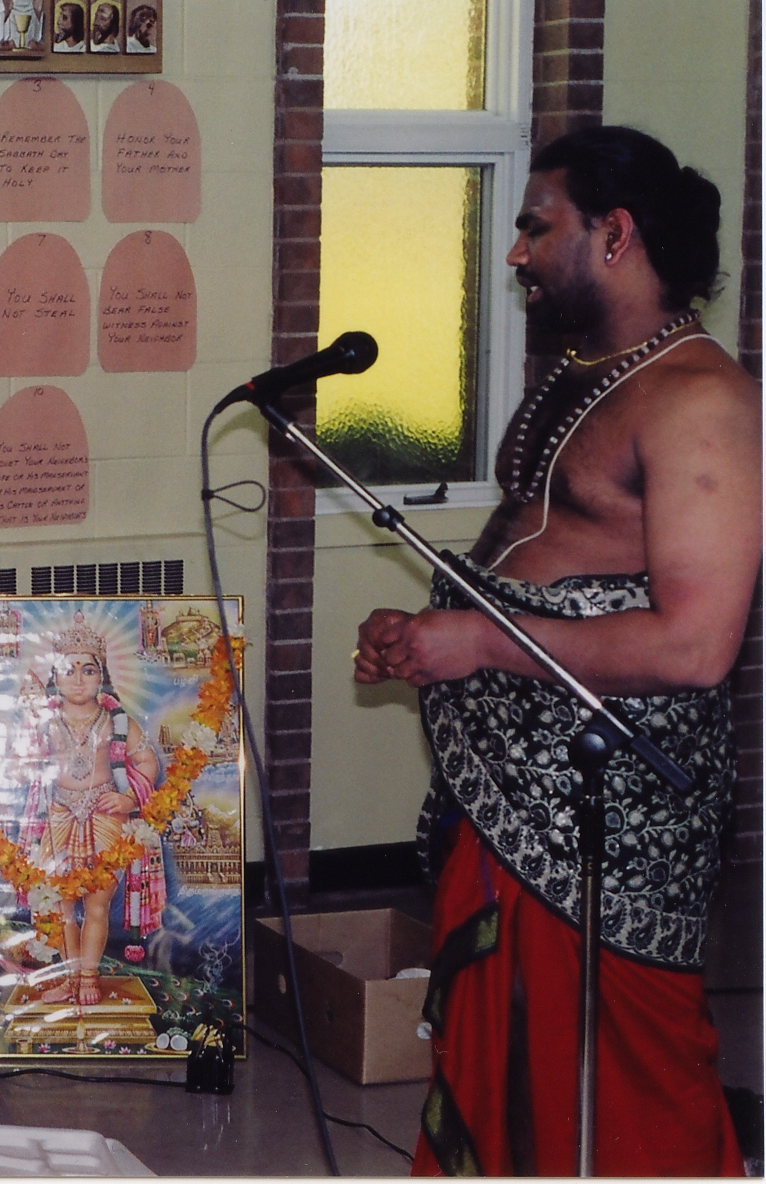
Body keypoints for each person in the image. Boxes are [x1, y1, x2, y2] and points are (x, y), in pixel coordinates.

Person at [353, 126, 758, 1176]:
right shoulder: (582, 373)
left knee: (622, 1092)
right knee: (501, 1061)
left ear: (614, 235)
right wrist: (434, 630)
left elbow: (696, 645)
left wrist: (482, 637)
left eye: (537, 227)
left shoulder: (701, 401)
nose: (516, 252)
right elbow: (543, 550)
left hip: (608, 808)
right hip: (509, 790)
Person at [12, 614, 162, 1006]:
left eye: (88, 670)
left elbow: (147, 762)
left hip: (106, 815)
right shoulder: (46, 720)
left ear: (102, 677)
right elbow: (22, 766)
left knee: (96, 903)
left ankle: (89, 977)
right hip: (58, 816)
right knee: (60, 905)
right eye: (69, 670)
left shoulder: (117, 720)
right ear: (55, 677)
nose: (78, 679)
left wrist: (129, 800)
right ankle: (69, 979)